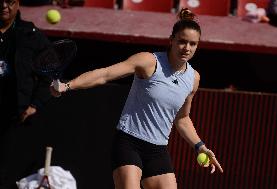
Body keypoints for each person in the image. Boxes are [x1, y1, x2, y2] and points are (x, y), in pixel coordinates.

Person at [51, 8, 223, 189]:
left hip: (158, 150)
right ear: (171, 40)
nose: (187, 48)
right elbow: (105, 74)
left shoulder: (193, 79)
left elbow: (182, 118)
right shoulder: (148, 61)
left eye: (193, 44)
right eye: (182, 41)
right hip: (129, 143)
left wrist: (200, 146)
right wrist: (67, 85)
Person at [0, 0, 53, 188]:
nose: (4, 5)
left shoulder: (30, 35)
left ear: (18, 3)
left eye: (10, 1)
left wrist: (35, 103)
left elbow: (51, 71)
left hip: (12, 116)